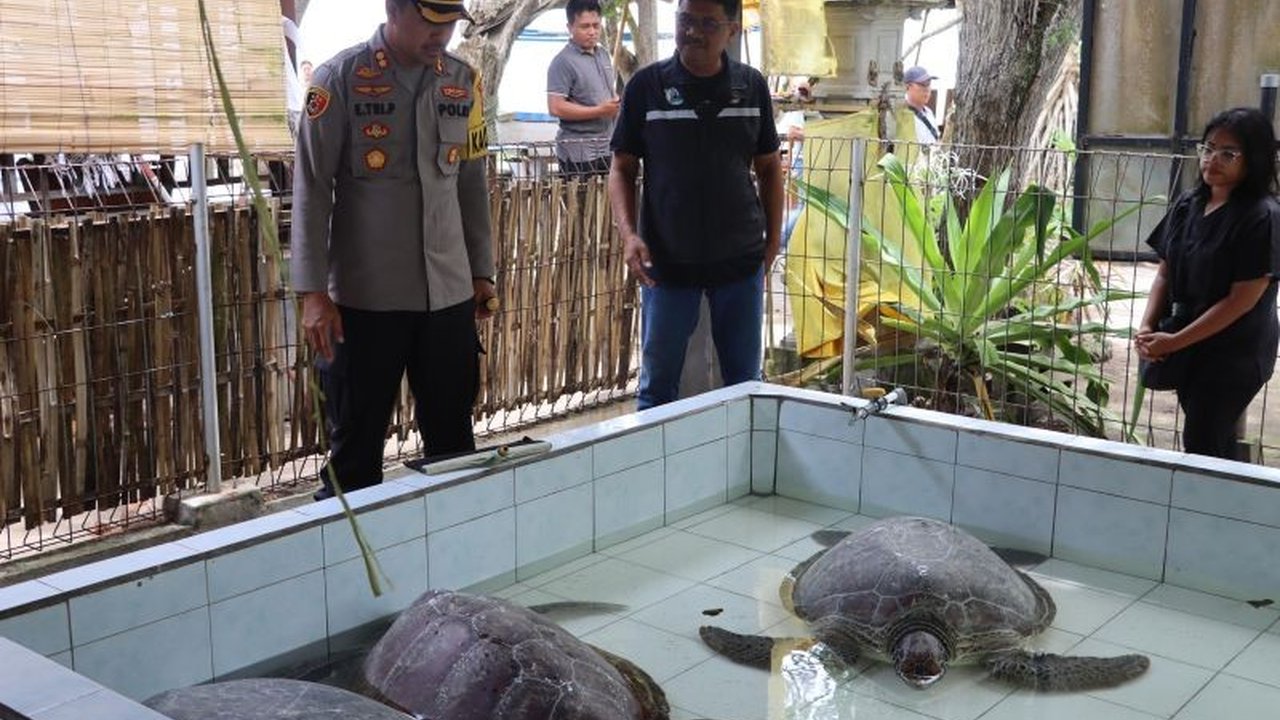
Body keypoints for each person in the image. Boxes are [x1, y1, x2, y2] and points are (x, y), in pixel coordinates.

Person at [291, 0, 497, 499]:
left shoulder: (463, 82)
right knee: (355, 456)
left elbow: (472, 183)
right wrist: (312, 293)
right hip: (365, 304)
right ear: (394, 9)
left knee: (454, 449)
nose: (442, 34)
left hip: (447, 299)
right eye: (431, 20)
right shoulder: (338, 80)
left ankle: (449, 564)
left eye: (450, 23)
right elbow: (312, 189)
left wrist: (482, 271)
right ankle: (347, 567)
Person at [608, 0, 785, 410]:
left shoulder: (751, 87)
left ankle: (743, 471)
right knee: (656, 388)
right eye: (686, 20)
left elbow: (770, 169)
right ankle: (652, 470)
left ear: (733, 31)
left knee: (746, 386)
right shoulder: (645, 86)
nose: (693, 31)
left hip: (740, 263)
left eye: (708, 23)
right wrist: (629, 235)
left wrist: (772, 242)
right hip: (665, 266)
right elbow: (621, 169)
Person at [1135, 107, 1280, 460]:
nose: (1212, 159)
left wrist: (1175, 340)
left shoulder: (1263, 216)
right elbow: (1164, 273)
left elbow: (1240, 301)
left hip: (1234, 352)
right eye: (1208, 148)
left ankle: (1209, 510)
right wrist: (1146, 326)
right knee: (1212, 442)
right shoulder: (1190, 203)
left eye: (1228, 153)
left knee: (1203, 442)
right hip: (1185, 339)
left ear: (1255, 159)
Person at [546, 0, 619, 176]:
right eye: (585, 26)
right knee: (581, 203)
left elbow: (607, 93)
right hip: (578, 152)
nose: (592, 32)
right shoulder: (562, 61)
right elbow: (555, 107)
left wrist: (617, 103)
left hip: (608, 146)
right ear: (570, 27)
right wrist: (600, 110)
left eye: (596, 25)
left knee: (607, 203)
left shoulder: (602, 54)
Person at [902, 65, 941, 145]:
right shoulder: (901, 115)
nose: (927, 89)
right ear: (908, 87)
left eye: (928, 84)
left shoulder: (929, 112)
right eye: (922, 84)